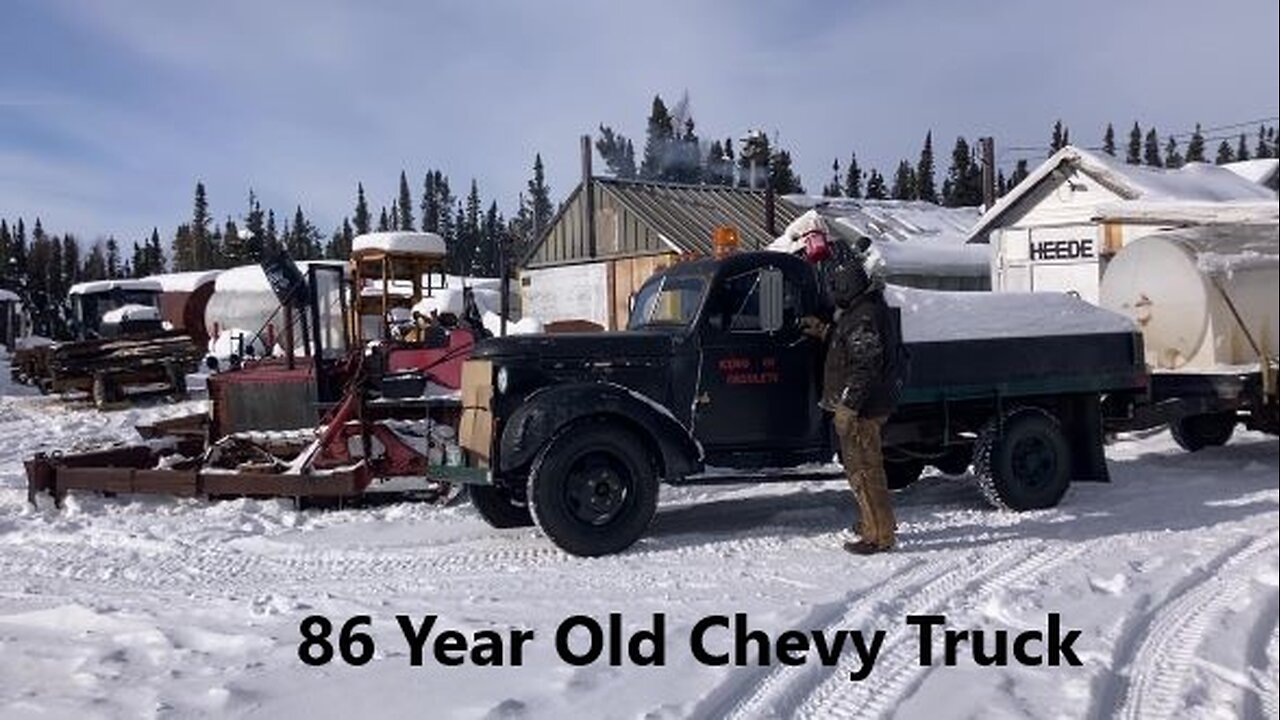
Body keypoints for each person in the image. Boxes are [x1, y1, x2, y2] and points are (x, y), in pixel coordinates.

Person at [804, 260, 902, 555]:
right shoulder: (860, 311)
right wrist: (825, 331)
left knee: (864, 471)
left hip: (863, 410)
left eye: (836, 287)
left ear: (847, 286)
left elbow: (865, 366)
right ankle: (876, 521)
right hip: (864, 407)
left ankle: (879, 536)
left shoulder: (864, 316)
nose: (833, 293)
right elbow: (851, 347)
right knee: (863, 469)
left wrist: (848, 406)